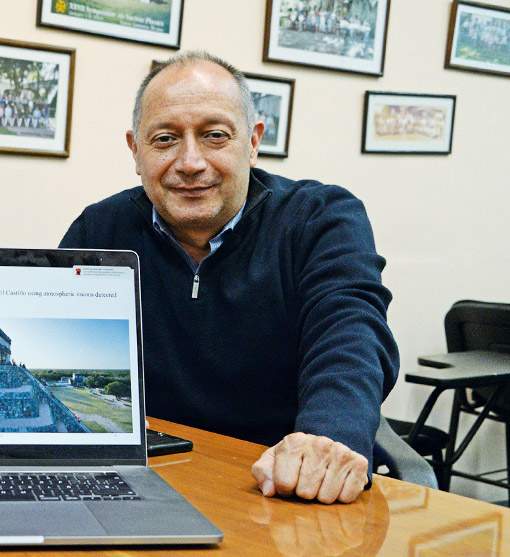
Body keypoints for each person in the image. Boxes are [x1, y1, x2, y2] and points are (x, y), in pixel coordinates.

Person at [59, 51, 398, 505]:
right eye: (164, 140)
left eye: (214, 136)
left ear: (253, 142)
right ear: (135, 150)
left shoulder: (321, 219)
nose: (191, 162)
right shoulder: (100, 231)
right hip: (150, 485)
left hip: (279, 483)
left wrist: (325, 439)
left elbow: (351, 336)